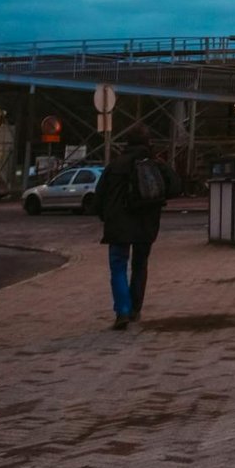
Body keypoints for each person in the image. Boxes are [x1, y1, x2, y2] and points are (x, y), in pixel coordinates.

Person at [94, 126, 180, 330]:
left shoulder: (115, 165)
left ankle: (122, 311)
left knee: (118, 267)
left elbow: (99, 198)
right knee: (140, 266)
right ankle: (135, 309)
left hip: (118, 226)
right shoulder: (155, 165)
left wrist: (105, 216)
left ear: (127, 143)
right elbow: (176, 187)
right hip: (146, 224)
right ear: (148, 143)